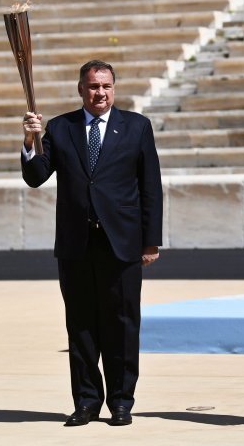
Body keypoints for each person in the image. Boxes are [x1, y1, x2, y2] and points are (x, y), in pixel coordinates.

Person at [21, 59, 163, 428]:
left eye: (106, 86)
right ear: (80, 89)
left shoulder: (136, 127)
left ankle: (120, 401)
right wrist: (29, 141)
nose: (100, 92)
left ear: (113, 89)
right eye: (93, 86)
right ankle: (85, 401)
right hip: (76, 244)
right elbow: (36, 177)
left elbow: (150, 188)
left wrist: (151, 242)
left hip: (123, 243)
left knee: (122, 323)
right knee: (80, 326)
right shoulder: (61, 128)